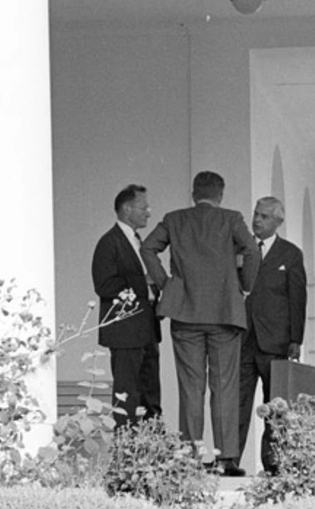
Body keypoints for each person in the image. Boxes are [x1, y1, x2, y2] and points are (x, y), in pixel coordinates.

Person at [141, 171, 260, 477]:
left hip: (186, 312)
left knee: (191, 388)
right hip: (224, 313)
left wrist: (166, 285)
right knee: (224, 385)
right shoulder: (231, 219)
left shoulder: (174, 218)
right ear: (221, 194)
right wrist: (243, 286)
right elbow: (252, 250)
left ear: (193, 193)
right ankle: (224, 458)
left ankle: (191, 457)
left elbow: (148, 248)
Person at [238, 196, 307, 474]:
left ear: (278, 221)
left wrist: (296, 339)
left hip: (276, 341)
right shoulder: (240, 249)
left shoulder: (290, 254)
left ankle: (275, 462)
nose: (257, 220)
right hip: (242, 339)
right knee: (237, 403)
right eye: (256, 213)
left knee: (276, 406)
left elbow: (297, 298)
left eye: (265, 216)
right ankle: (230, 460)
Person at [92, 184, 162, 429]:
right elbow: (104, 284)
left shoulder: (136, 240)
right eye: (144, 207)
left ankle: (153, 452)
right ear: (126, 208)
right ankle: (128, 455)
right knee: (128, 394)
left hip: (146, 328)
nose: (149, 212)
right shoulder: (109, 242)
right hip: (125, 331)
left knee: (150, 393)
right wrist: (143, 283)